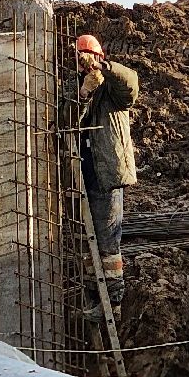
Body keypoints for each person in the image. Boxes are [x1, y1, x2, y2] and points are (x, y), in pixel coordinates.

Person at [74, 33, 139, 316]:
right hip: (82, 174)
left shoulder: (114, 91)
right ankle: (93, 298)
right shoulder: (76, 85)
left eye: (87, 57)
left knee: (108, 241)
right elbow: (67, 119)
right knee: (86, 241)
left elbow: (131, 85)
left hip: (108, 174)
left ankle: (113, 304)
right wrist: (83, 94)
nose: (84, 63)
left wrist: (105, 69)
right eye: (80, 59)